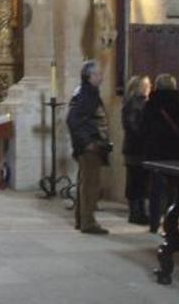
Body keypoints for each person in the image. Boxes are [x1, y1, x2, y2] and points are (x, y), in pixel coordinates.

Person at [141, 74, 179, 233]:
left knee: (155, 190)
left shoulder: (150, 105)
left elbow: (143, 128)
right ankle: (172, 223)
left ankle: (154, 223)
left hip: (156, 153)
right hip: (175, 152)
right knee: (174, 189)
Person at [66, 60, 112, 235]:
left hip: (91, 147)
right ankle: (88, 222)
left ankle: (82, 219)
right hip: (90, 148)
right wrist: (87, 143)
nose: (101, 76)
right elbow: (73, 121)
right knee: (90, 186)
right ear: (90, 76)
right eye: (98, 74)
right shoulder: (87, 95)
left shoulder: (88, 93)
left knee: (86, 184)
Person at [122, 75, 151, 225]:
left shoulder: (134, 103)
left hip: (134, 148)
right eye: (146, 85)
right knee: (136, 181)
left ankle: (139, 211)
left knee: (138, 181)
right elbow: (134, 126)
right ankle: (136, 213)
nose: (149, 87)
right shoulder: (135, 104)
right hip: (136, 148)